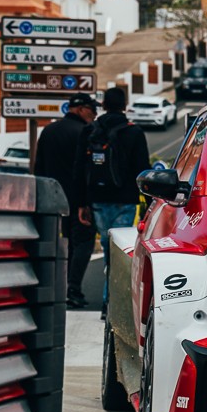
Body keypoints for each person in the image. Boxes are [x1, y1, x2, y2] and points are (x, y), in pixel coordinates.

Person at [74, 87, 150, 306]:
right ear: (125, 105)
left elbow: (79, 169)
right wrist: (148, 204)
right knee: (118, 254)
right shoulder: (134, 132)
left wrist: (81, 203)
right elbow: (143, 170)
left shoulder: (90, 130)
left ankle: (109, 303)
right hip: (125, 200)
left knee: (108, 249)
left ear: (104, 105)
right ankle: (111, 304)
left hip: (96, 199)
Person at [34, 93, 98, 309]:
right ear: (80, 109)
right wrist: (86, 202)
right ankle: (73, 288)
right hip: (79, 200)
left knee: (64, 243)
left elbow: (39, 168)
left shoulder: (49, 131)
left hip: (53, 199)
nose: (94, 114)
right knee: (83, 243)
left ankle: (59, 287)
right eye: (92, 109)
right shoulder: (85, 132)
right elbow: (86, 171)